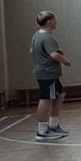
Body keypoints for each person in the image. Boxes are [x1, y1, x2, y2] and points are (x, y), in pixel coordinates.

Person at [31, 11, 70, 141]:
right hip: (48, 74)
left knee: (59, 94)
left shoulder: (37, 35)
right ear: (49, 22)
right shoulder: (47, 38)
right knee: (46, 98)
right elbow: (53, 55)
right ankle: (42, 130)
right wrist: (65, 60)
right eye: (54, 19)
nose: (56, 21)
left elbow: (32, 51)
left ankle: (53, 125)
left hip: (44, 72)